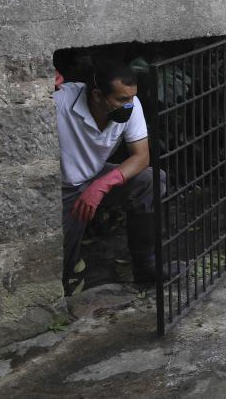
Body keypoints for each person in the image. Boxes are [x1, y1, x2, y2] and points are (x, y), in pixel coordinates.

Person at [55, 59, 165, 293]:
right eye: (121, 99)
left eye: (131, 97)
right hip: (62, 190)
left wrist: (101, 186)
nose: (129, 105)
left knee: (150, 180)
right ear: (97, 96)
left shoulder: (131, 105)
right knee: (55, 265)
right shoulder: (61, 101)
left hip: (94, 179)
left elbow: (141, 157)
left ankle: (147, 267)